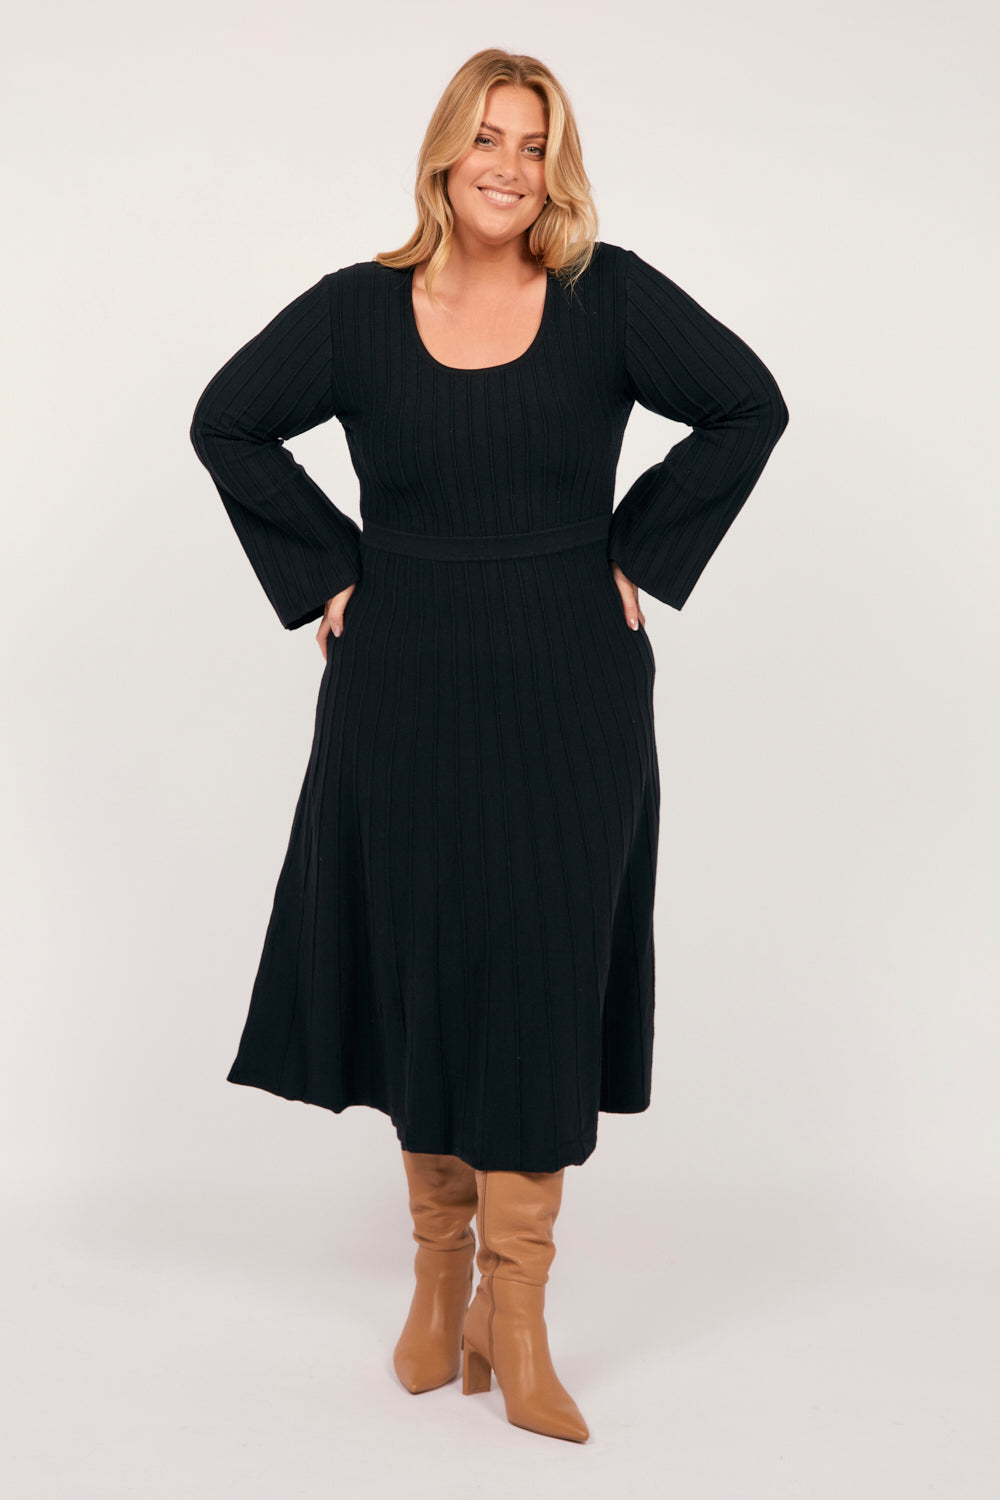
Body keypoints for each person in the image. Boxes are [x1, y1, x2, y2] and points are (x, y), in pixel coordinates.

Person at [188, 47, 789, 1444]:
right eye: (488, 138)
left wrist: (642, 550)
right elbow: (228, 421)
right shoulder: (355, 311)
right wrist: (328, 572)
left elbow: (749, 403)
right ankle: (436, 1281)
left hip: (570, 691)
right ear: (443, 154)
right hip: (399, 691)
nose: (510, 166)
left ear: (553, 166)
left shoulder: (606, 297)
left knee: (536, 976)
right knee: (419, 960)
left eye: (534, 143)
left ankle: (517, 1316)